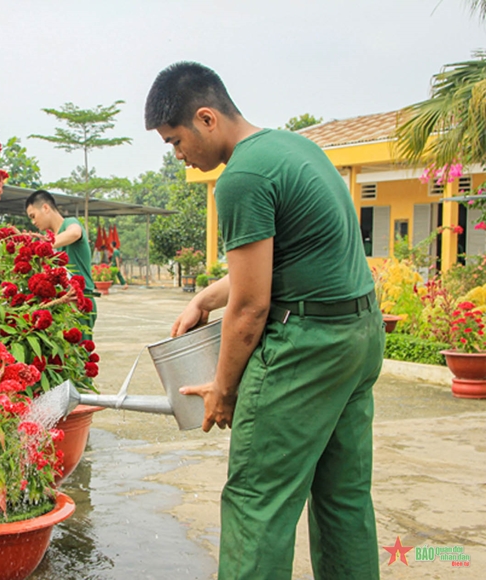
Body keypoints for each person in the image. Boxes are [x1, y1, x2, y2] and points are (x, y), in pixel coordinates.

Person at [145, 62, 383, 580]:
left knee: (258, 499)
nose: (178, 154)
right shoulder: (295, 148)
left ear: (206, 118)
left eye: (174, 141)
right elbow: (282, 262)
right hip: (358, 338)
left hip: (308, 349)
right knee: (343, 498)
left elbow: (251, 310)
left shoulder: (242, 179)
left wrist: (224, 390)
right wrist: (205, 297)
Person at [24, 189, 97, 333]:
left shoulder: (70, 223)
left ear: (45, 208)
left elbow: (75, 232)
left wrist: (41, 248)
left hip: (80, 299)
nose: (33, 222)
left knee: (81, 352)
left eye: (33, 216)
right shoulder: (49, 236)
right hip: (63, 301)